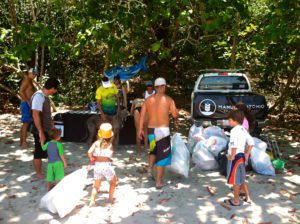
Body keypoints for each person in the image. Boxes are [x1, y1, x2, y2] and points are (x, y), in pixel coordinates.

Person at [139, 77, 179, 189]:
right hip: (163, 132)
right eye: (164, 86)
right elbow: (175, 115)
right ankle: (158, 182)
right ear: (162, 86)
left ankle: (149, 171)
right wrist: (177, 114)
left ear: (155, 87)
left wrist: (140, 130)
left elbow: (142, 115)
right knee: (162, 156)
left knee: (153, 150)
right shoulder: (169, 100)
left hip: (151, 131)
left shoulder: (148, 100)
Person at [224, 110, 254, 206]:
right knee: (242, 179)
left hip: (235, 158)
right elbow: (251, 143)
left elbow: (234, 145)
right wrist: (246, 153)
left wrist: (231, 156)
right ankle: (247, 197)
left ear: (234, 120)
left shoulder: (234, 131)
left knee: (235, 181)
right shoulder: (243, 129)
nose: (228, 122)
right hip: (241, 157)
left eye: (229, 120)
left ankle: (236, 201)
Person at [31, 78, 60, 179]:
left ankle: (53, 171)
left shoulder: (45, 96)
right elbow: (35, 114)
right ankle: (38, 173)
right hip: (39, 129)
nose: (55, 91)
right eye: (55, 89)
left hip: (46, 128)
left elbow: (47, 114)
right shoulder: (39, 97)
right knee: (39, 151)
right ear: (52, 88)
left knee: (51, 149)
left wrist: (52, 126)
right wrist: (40, 132)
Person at [88, 123, 117, 207]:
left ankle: (92, 201)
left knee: (96, 185)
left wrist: (92, 158)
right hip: (106, 167)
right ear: (111, 136)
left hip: (97, 167)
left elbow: (89, 152)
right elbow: (110, 156)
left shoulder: (96, 143)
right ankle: (110, 199)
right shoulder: (110, 145)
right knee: (113, 181)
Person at [96, 77, 121, 145]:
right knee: (104, 128)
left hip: (113, 111)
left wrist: (118, 108)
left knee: (116, 127)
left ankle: (114, 144)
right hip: (104, 112)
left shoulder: (113, 86)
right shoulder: (99, 90)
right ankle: (101, 144)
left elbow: (117, 97)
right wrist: (102, 114)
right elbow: (98, 103)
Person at [19, 68, 38, 148]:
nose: (34, 75)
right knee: (26, 123)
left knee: (27, 122)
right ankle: (23, 143)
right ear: (29, 73)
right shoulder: (26, 80)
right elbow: (20, 91)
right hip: (26, 104)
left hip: (29, 104)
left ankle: (22, 141)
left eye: (35, 74)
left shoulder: (30, 81)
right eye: (33, 74)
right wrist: (27, 101)